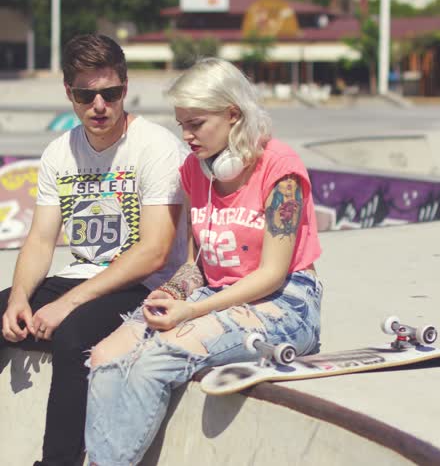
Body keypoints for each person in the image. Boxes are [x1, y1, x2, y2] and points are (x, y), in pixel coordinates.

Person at [85, 57, 323, 465]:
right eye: (182, 124)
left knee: (158, 357)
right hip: (215, 295)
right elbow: (196, 265)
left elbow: (272, 274)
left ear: (233, 114)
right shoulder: (196, 172)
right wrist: (172, 292)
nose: (187, 136)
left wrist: (191, 310)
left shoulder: (280, 169)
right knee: (105, 355)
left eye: (196, 123)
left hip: (285, 302)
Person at [0, 34, 188, 466]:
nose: (99, 105)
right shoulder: (59, 152)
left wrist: (66, 304)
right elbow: (41, 240)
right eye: (87, 95)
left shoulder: (155, 148)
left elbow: (155, 251)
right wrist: (18, 299)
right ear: (69, 92)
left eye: (111, 93)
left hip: (147, 284)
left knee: (73, 337)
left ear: (125, 87)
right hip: (83, 276)